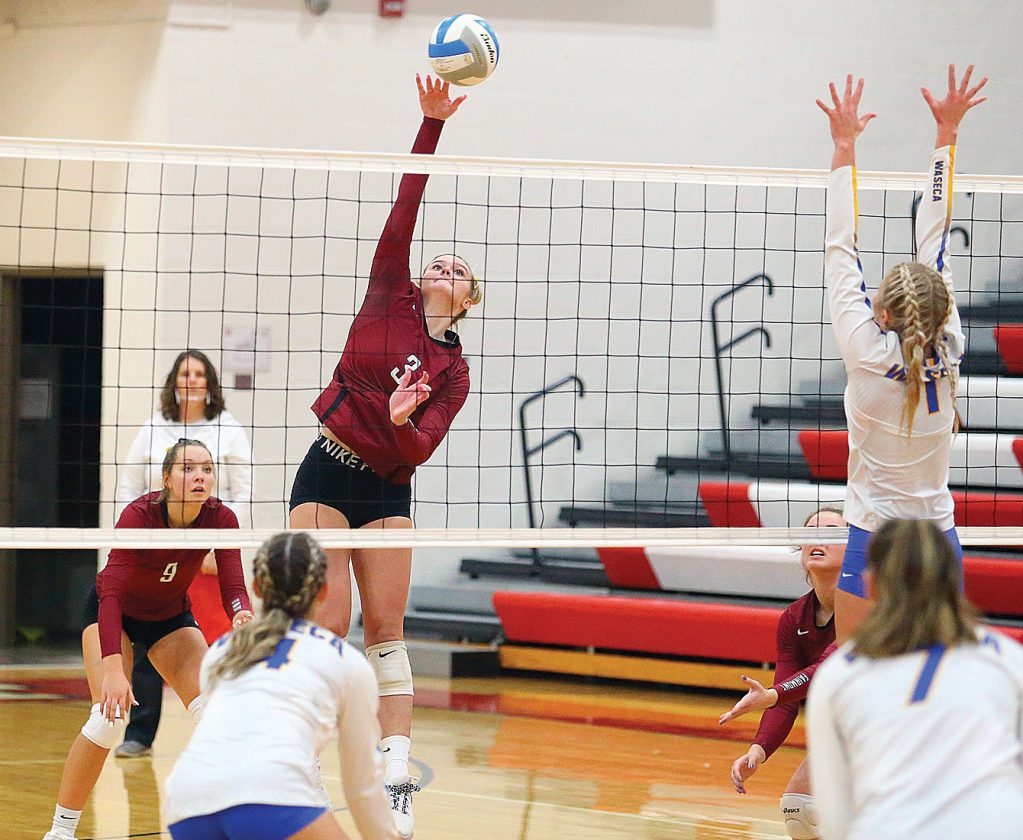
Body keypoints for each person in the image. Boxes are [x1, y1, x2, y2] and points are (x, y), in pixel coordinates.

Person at [288, 74, 482, 838]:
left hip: (386, 490)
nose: (442, 268)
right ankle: (302, 757)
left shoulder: (453, 371)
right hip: (327, 471)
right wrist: (431, 124)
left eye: (457, 271)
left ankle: (394, 777)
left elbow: (421, 449)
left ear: (467, 300)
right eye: (438, 262)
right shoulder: (386, 294)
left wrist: (402, 424)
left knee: (386, 633)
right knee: (324, 624)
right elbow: (407, 202)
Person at [816, 65, 986, 643]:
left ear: (882, 314)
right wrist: (947, 135)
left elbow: (841, 247)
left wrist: (844, 146)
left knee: (857, 675)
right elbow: (936, 235)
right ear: (940, 309)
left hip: (874, 539)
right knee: (938, 677)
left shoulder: (864, 349)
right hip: (938, 538)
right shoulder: (952, 343)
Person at [42, 439, 253, 840]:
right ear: (167, 479)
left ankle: (231, 823)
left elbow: (233, 586)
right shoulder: (138, 516)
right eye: (188, 469)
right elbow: (112, 594)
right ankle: (61, 831)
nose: (200, 477)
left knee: (217, 713)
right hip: (113, 614)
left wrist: (241, 612)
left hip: (168, 617)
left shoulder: (220, 518)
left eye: (207, 469)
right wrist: (113, 669)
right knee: (107, 720)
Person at [164, 532, 399, 840]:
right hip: (271, 796)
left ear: (257, 588)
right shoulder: (346, 662)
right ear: (324, 590)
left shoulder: (222, 650)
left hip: (187, 798)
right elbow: (363, 784)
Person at [807, 518, 1023, 839]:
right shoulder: (1009, 659)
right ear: (954, 579)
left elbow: (835, 817)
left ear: (870, 584)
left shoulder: (839, 674)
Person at [115, 349, 253, 758]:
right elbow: (129, 484)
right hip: (154, 547)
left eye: (198, 374)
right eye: (184, 373)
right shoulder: (154, 427)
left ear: (209, 383)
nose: (191, 380)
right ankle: (139, 734)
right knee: (149, 636)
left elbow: (243, 490)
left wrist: (216, 543)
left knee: (216, 639)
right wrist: (132, 538)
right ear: (174, 382)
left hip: (203, 551)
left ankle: (229, 729)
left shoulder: (227, 428)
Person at [718, 509, 844, 839]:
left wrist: (773, 694)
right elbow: (785, 700)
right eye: (811, 532)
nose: (818, 538)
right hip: (854, 727)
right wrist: (758, 750)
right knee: (800, 810)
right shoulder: (793, 619)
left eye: (831, 531)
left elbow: (826, 668)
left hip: (906, 719)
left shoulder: (865, 603)